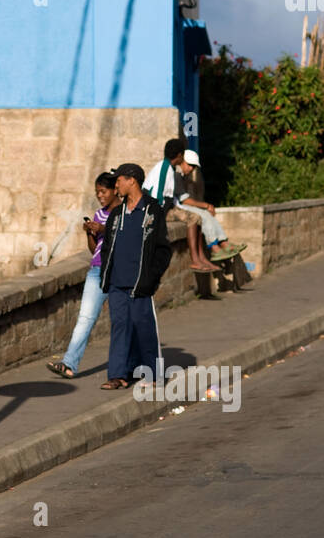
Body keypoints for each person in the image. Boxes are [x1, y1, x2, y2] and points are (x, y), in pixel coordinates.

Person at [99, 163, 173, 390]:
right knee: (119, 326)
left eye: (119, 180)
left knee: (144, 327)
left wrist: (152, 278)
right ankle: (118, 375)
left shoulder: (152, 210)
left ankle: (152, 375)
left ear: (132, 180)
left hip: (141, 282)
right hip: (117, 283)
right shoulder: (117, 214)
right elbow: (107, 248)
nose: (116, 185)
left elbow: (163, 249)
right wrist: (106, 275)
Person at [46, 172, 120, 379]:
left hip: (119, 271)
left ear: (115, 190)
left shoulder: (124, 212)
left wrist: (104, 229)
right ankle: (69, 363)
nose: (100, 196)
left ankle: (132, 365)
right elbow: (94, 248)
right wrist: (90, 232)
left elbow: (122, 233)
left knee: (122, 320)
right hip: (97, 269)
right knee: (85, 317)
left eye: (103, 191)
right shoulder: (99, 213)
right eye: (97, 192)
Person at [143, 137, 212, 272]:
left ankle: (200, 257)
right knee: (193, 218)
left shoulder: (169, 168)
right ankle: (195, 259)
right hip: (157, 210)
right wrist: (158, 219)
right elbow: (157, 194)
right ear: (179, 155)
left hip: (165, 207)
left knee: (197, 217)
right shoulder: (164, 169)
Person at [175, 150, 245, 264]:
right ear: (182, 162)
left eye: (193, 166)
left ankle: (223, 242)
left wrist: (205, 207)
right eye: (190, 165)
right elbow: (185, 200)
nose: (191, 169)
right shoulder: (177, 174)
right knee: (203, 215)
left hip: (181, 205)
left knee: (206, 214)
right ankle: (214, 248)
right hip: (177, 207)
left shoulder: (182, 176)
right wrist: (206, 205)